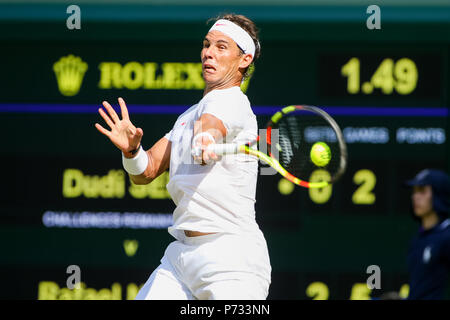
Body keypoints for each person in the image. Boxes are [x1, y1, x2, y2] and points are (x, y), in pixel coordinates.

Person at [94, 14, 271, 300]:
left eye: (221, 47)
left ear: (244, 59)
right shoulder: (188, 117)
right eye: (206, 44)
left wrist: (205, 140)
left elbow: (211, 127)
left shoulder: (231, 101)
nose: (208, 52)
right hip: (180, 258)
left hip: (231, 258)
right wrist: (132, 151)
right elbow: (146, 171)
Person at [404, 168, 450, 300]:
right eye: (414, 191)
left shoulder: (447, 237)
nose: (415, 196)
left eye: (422, 191)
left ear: (438, 195)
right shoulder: (417, 240)